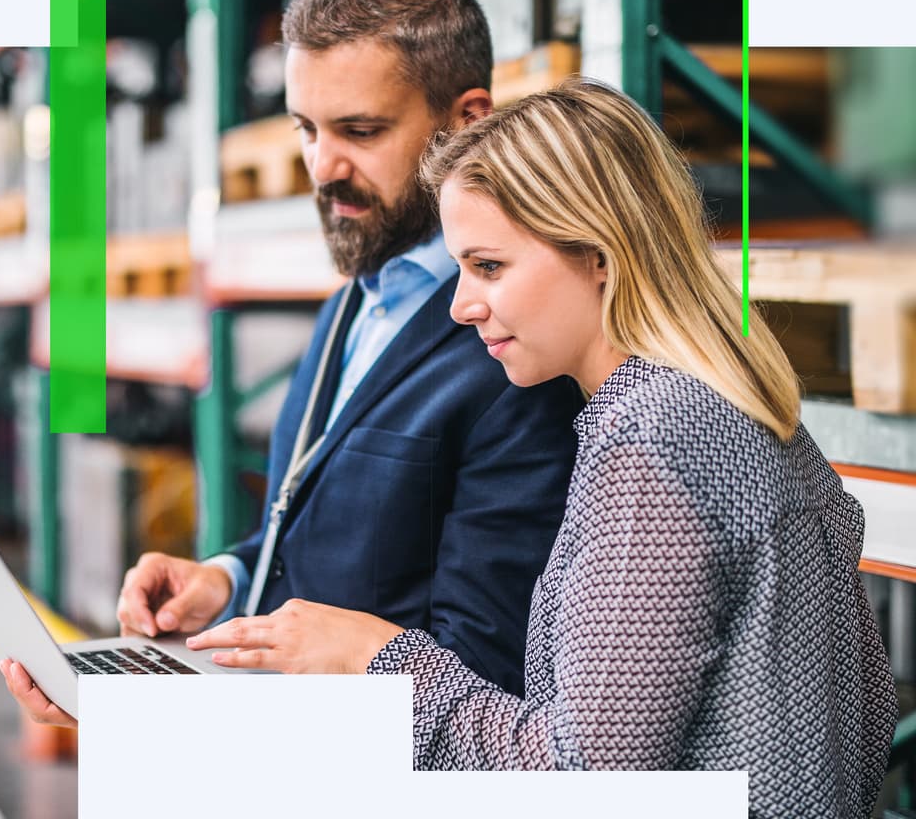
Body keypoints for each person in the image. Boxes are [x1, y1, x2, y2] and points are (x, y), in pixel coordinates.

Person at [197, 78, 899, 815]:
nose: (461, 306)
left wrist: (378, 660)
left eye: (489, 266)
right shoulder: (740, 407)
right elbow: (862, 716)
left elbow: (578, 780)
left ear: (600, 253)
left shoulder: (652, 436)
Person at [1, 0, 586, 724]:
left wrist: (173, 720)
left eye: (361, 130)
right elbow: (334, 533)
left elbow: (484, 684)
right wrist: (228, 579)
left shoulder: (514, 349)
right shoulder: (361, 295)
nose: (321, 166)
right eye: (306, 128)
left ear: (467, 120)